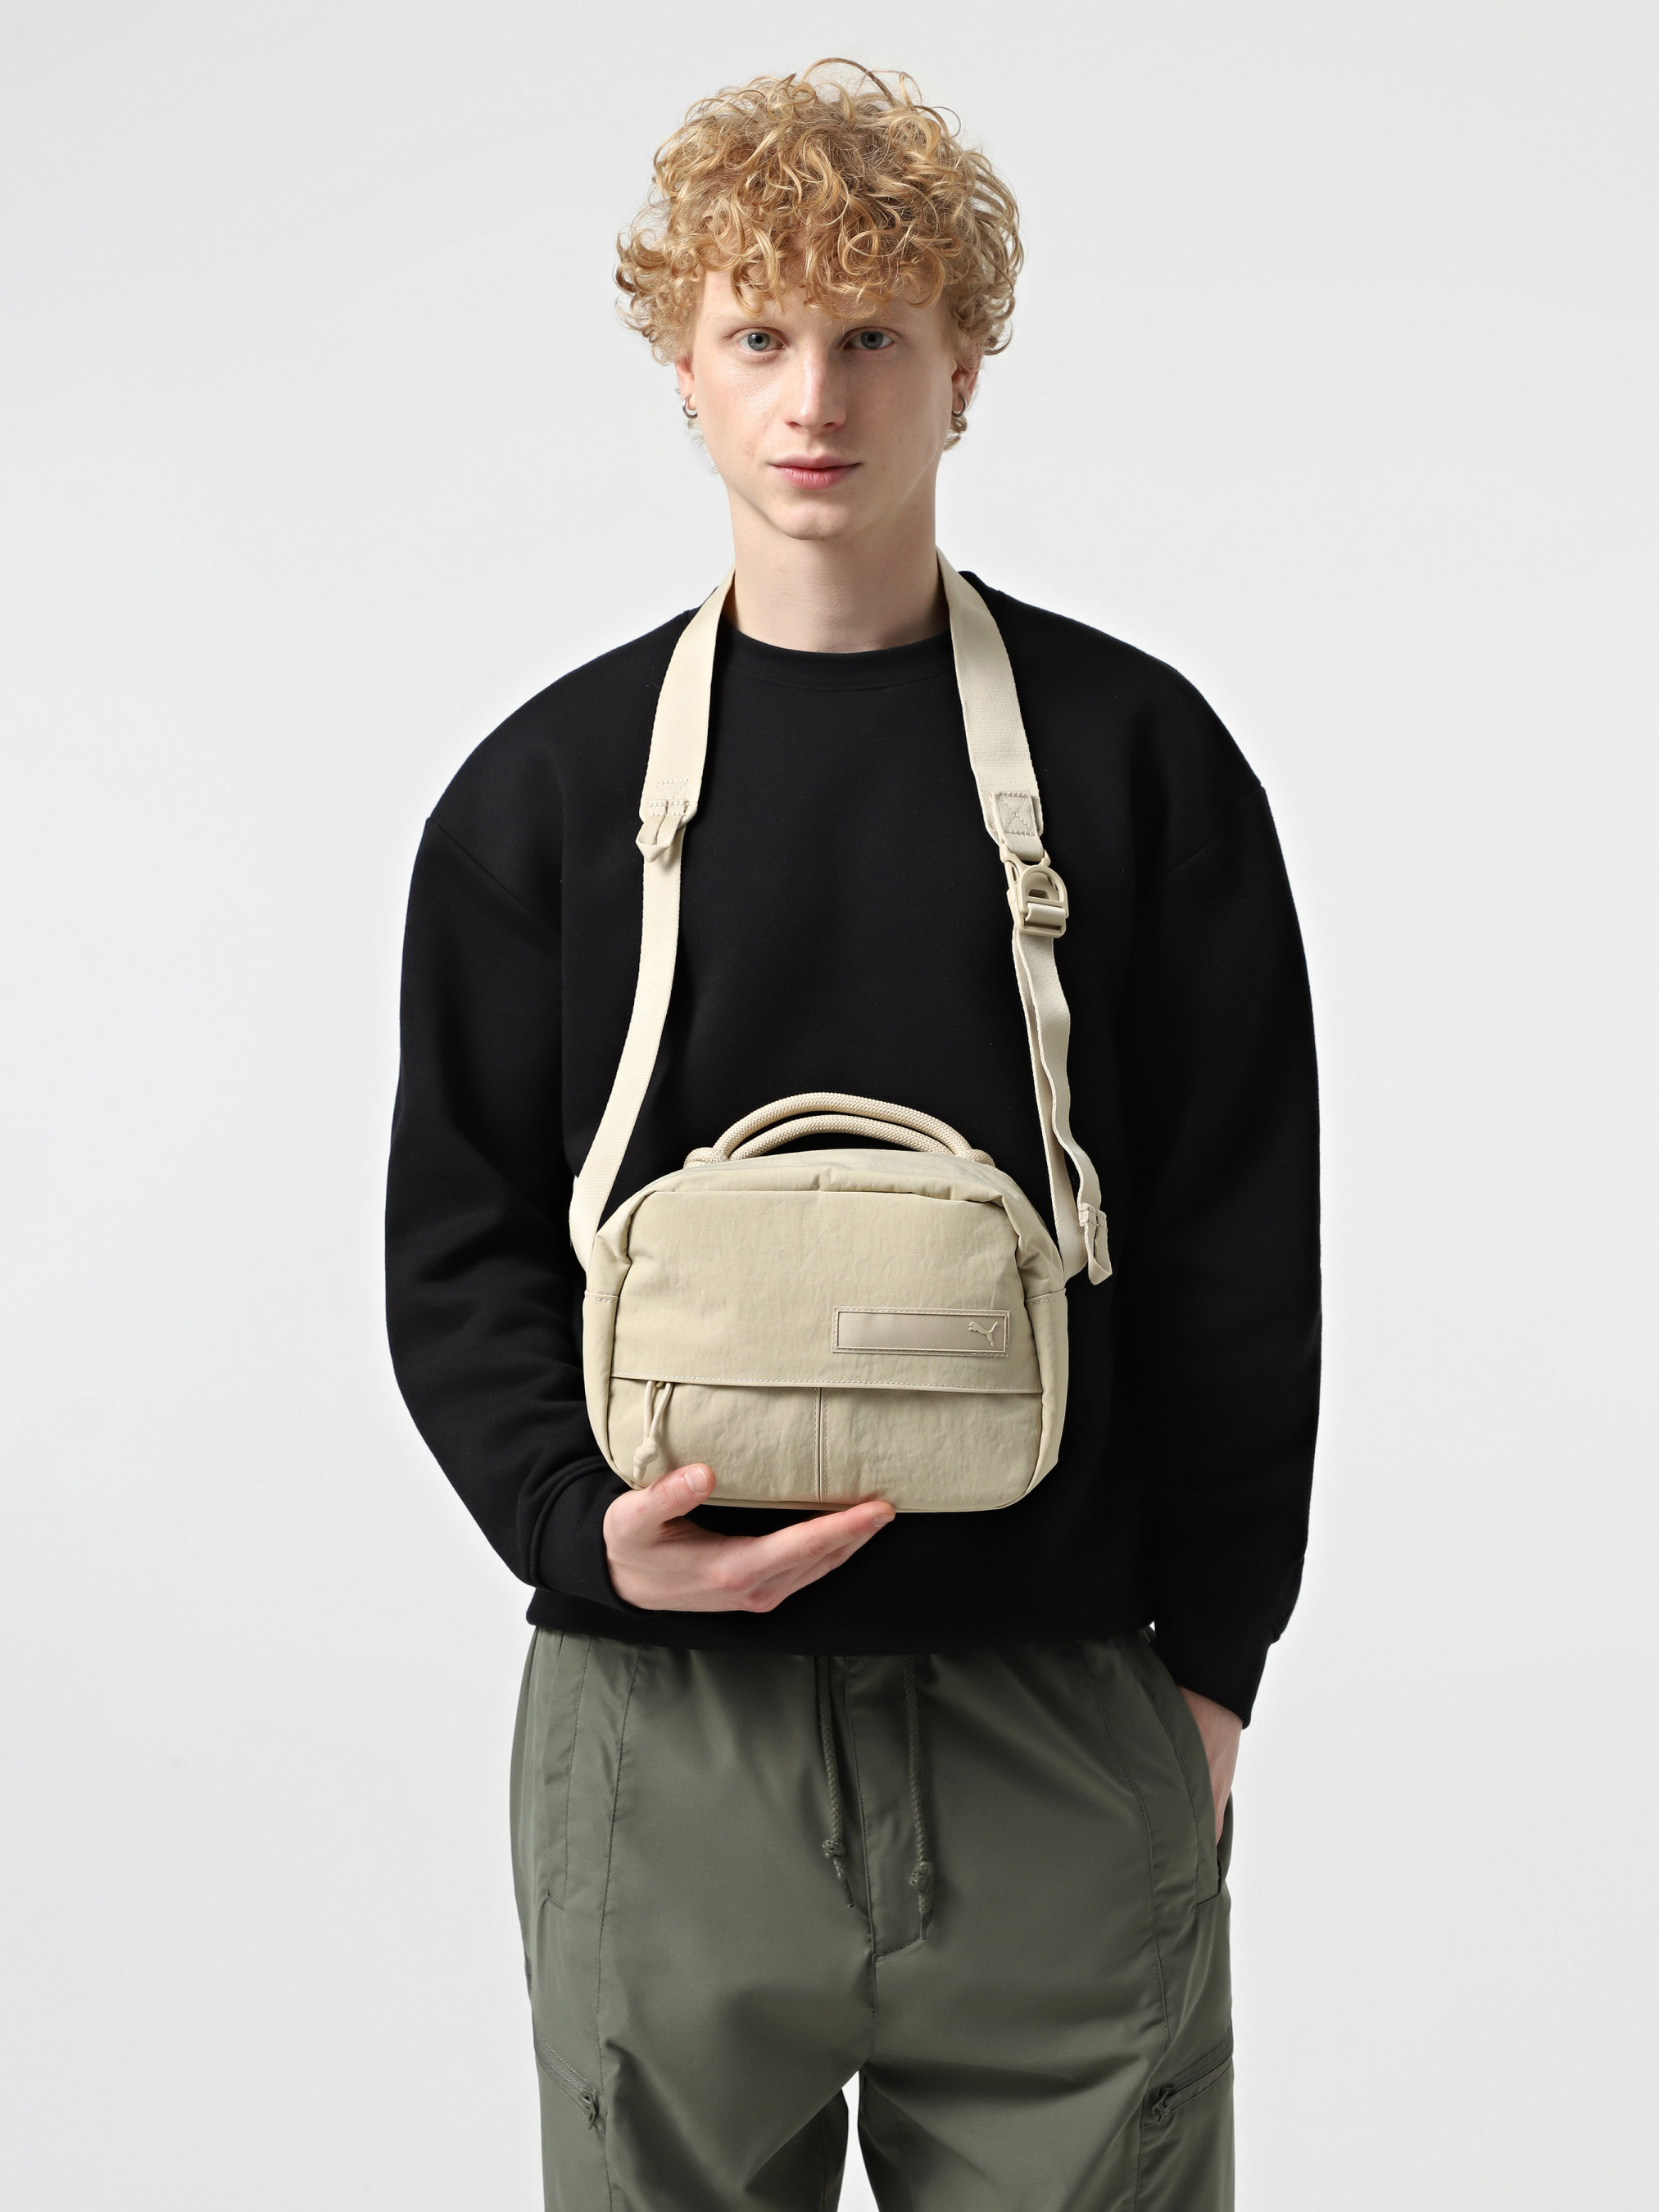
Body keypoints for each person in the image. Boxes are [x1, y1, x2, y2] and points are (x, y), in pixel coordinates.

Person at [386, 60, 1319, 2212]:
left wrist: (1209, 1677)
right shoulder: (544, 792)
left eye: (875, 333)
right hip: (664, 1740)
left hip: (1058, 1716)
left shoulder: (1138, 761)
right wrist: (576, 1528)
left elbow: (1233, 1240)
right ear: (684, 368)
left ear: (964, 367)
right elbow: (459, 1237)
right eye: (759, 334)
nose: (815, 398)